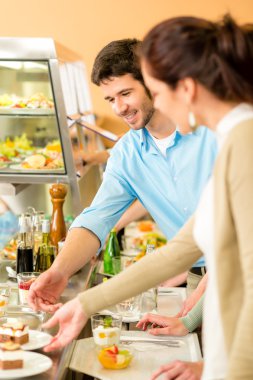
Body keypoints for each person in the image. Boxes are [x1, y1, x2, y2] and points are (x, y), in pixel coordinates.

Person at [39, 14, 253, 379]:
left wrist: (226, 369)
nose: (120, 107)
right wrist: (82, 301)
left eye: (152, 89)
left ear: (184, 87)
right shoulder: (235, 136)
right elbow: (182, 249)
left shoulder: (238, 139)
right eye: (111, 98)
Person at [28, 37, 217, 342]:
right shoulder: (127, 152)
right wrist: (59, 271)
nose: (119, 108)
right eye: (110, 99)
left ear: (152, 84)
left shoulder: (211, 133)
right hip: (197, 274)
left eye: (126, 93)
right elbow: (96, 220)